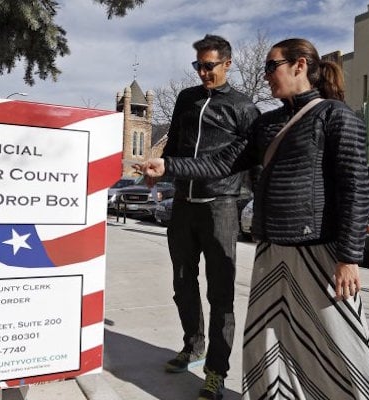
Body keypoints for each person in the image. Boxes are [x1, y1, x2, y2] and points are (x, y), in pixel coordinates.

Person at [137, 38, 369, 400]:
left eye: (271, 66)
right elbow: (222, 162)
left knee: (340, 341)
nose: (266, 75)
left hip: (317, 252)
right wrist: (168, 165)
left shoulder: (336, 117)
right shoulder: (268, 123)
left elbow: (355, 191)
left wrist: (349, 257)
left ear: (300, 65)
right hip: (272, 250)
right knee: (266, 338)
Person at [156, 34, 260, 400]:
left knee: (221, 294)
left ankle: (216, 371)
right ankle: (193, 345)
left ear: (227, 64)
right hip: (183, 205)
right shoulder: (186, 99)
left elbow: (254, 163)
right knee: (183, 283)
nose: (203, 73)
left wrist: (259, 208)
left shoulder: (245, 108)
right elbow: (172, 150)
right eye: (198, 66)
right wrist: (160, 171)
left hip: (221, 207)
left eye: (209, 66)